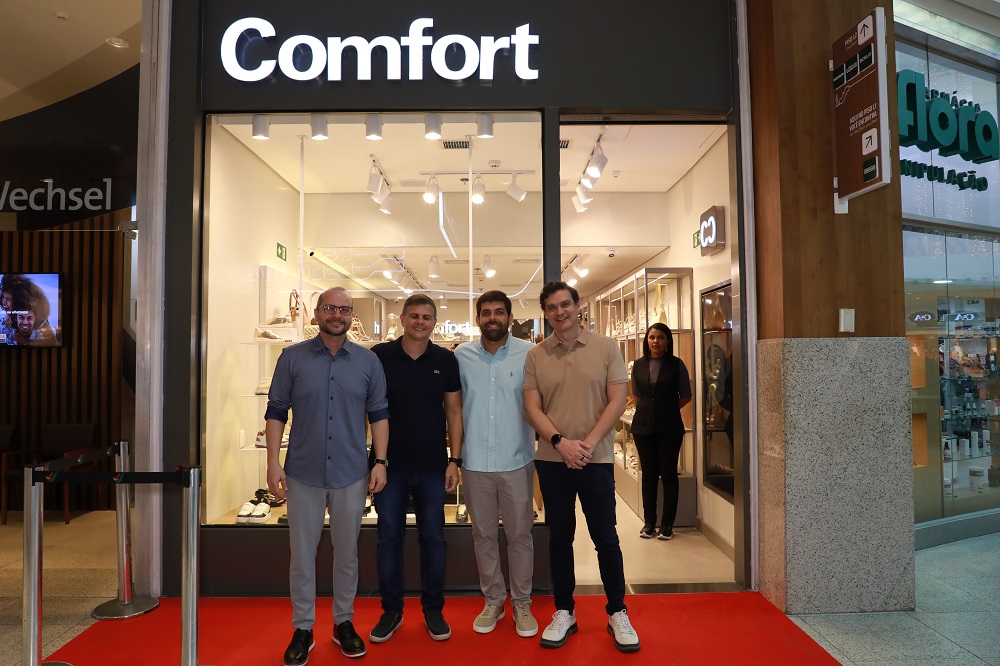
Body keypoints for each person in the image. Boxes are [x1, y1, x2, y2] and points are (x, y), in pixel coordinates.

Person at [265, 286, 390, 663]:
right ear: (317, 313)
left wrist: (380, 462)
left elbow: (379, 413)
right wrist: (272, 462)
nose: (337, 315)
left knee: (347, 553)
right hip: (302, 472)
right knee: (302, 555)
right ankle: (303, 627)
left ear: (352, 316)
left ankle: (343, 623)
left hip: (351, 473)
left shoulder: (368, 362)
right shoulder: (292, 358)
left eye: (345, 310)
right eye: (330, 308)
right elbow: (276, 410)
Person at [523, 281, 639, 653]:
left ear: (577, 306)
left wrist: (586, 444)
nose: (560, 312)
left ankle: (617, 611)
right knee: (560, 537)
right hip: (552, 460)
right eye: (552, 307)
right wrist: (561, 443)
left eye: (565, 305)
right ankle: (564, 611)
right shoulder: (536, 355)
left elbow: (617, 400)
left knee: (606, 537)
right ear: (545, 313)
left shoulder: (606, 347)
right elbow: (532, 407)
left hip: (596, 459)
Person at [370, 294, 463, 643]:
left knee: (434, 538)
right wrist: (373, 461)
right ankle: (391, 611)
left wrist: (454, 459)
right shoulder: (379, 356)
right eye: (414, 316)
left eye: (426, 317)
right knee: (388, 539)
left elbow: (454, 412)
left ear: (434, 322)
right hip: (388, 467)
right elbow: (367, 408)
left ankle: (433, 610)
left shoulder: (445, 360)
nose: (420, 322)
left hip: (432, 466)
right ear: (402, 319)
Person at [454, 290, 538, 638]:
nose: (492, 318)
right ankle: (493, 599)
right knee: (483, 536)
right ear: (477, 319)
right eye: (486, 312)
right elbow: (454, 409)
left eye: (499, 312)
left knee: (520, 535)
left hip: (516, 460)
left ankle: (522, 601)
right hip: (474, 461)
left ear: (510, 317)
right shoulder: (461, 356)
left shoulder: (529, 354)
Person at [630, 323, 692, 540]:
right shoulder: (638, 365)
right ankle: (649, 523)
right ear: (647, 340)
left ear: (668, 341)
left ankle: (667, 525)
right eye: (652, 337)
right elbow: (636, 394)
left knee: (668, 475)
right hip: (643, 427)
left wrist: (666, 408)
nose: (655, 341)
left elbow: (686, 395)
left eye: (660, 337)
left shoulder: (677, 364)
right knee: (648, 475)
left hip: (670, 427)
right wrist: (651, 409)